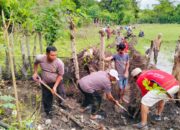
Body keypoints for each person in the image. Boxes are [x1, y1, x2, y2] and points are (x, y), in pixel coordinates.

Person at [32, 46, 65, 118]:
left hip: (57, 81)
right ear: (46, 54)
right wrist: (35, 73)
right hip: (45, 81)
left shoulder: (59, 63)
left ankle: (62, 105)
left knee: (61, 93)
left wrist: (55, 87)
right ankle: (48, 111)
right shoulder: (40, 58)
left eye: (56, 55)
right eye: (52, 55)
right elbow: (35, 63)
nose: (54, 57)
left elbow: (60, 75)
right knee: (46, 96)